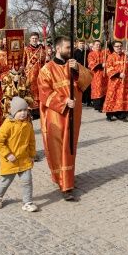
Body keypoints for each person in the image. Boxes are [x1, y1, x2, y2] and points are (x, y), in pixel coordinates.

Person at [38, 36, 92, 201]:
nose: (70, 50)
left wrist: (77, 71)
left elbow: (87, 80)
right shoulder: (47, 69)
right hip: (56, 116)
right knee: (58, 148)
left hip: (73, 114)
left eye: (71, 47)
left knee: (69, 147)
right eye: (67, 48)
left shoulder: (73, 65)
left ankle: (66, 178)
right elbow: (44, 93)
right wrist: (63, 101)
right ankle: (64, 185)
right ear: (58, 48)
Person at [0, 97, 38, 212]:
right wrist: (7, 154)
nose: (23, 113)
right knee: (6, 181)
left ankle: (27, 202)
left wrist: (32, 155)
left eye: (25, 110)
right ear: (13, 112)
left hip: (24, 159)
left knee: (27, 181)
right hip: (10, 160)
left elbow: (32, 141)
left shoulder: (28, 125)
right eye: (20, 111)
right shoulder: (8, 125)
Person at [103, 41, 128, 122]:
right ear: (114, 47)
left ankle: (127, 114)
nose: (119, 48)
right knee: (113, 97)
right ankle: (110, 114)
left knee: (125, 97)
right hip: (115, 82)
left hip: (126, 82)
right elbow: (109, 69)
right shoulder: (111, 57)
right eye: (117, 46)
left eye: (120, 46)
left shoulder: (125, 56)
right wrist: (118, 74)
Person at [23, 32, 46, 119]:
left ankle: (38, 111)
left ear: (38, 39)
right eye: (33, 38)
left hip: (39, 74)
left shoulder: (41, 50)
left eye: (36, 38)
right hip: (29, 74)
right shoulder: (26, 49)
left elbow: (44, 62)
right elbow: (23, 61)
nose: (34, 40)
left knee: (39, 92)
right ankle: (30, 111)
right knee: (30, 92)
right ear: (30, 39)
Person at [87, 40, 108, 112]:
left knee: (104, 90)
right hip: (96, 75)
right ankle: (98, 106)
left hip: (104, 75)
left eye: (99, 45)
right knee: (97, 90)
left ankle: (104, 104)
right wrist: (101, 65)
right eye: (97, 45)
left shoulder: (103, 53)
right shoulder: (91, 54)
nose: (98, 46)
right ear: (93, 45)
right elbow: (91, 64)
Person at [73, 40, 91, 106]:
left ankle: (88, 100)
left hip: (86, 70)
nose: (82, 44)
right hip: (78, 71)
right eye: (80, 43)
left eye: (83, 43)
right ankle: (81, 100)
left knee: (87, 86)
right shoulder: (75, 52)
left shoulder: (87, 52)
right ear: (77, 44)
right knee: (79, 86)